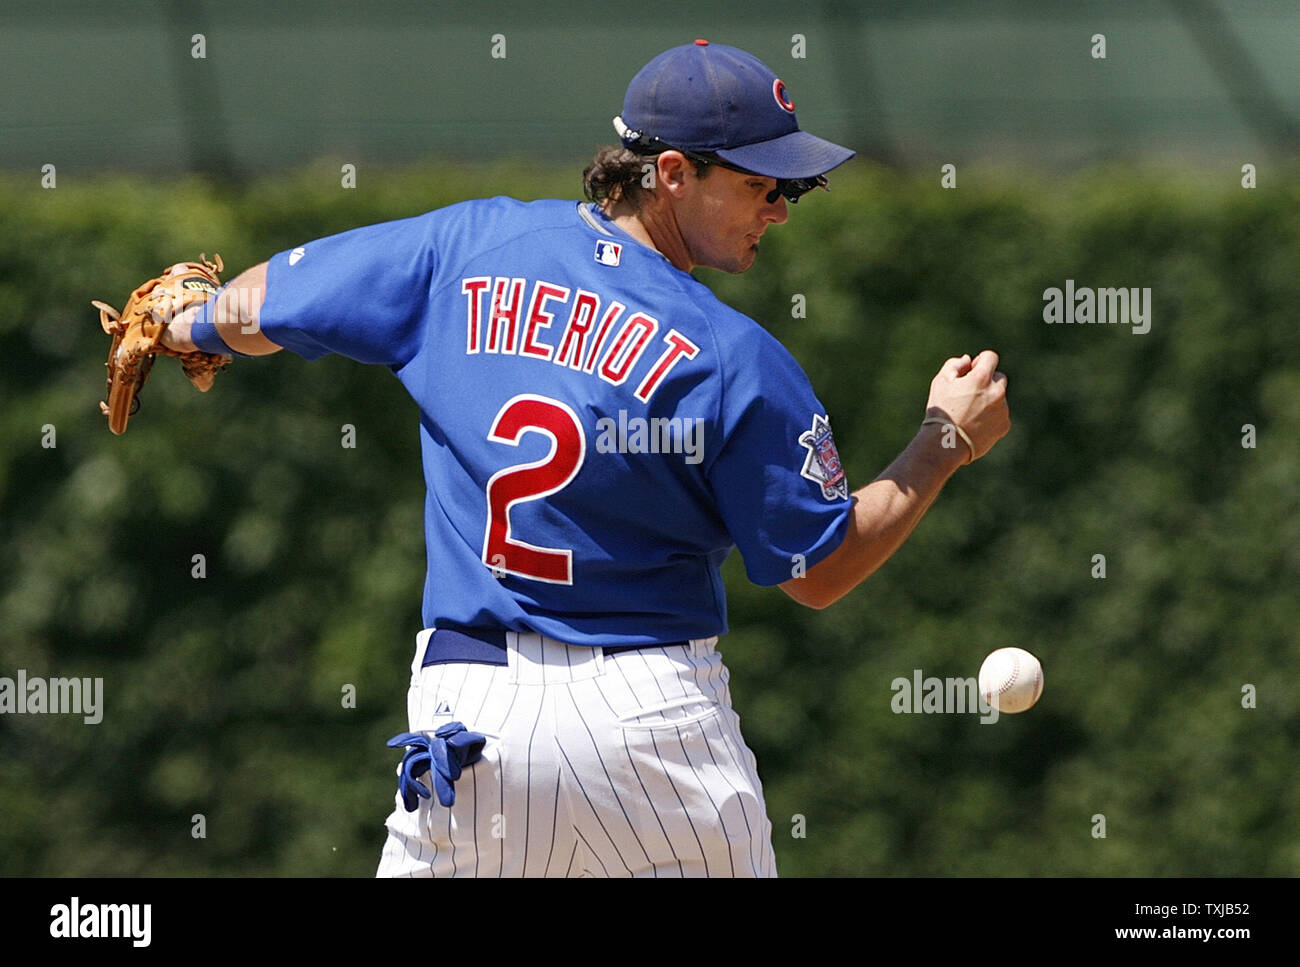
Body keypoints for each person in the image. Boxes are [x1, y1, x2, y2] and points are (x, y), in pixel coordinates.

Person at [161, 40, 1010, 877]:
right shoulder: (730, 353)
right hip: (649, 729)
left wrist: (187, 325)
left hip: (474, 722)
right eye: (759, 183)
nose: (781, 207)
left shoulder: (464, 247)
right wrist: (944, 440)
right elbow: (818, 571)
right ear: (673, 172)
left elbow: (267, 302)